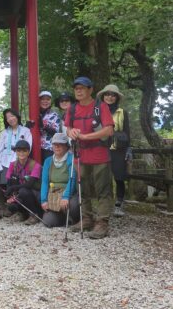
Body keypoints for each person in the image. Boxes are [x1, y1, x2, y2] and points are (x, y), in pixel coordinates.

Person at [66, 76, 114, 239]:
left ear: (90, 90)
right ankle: (86, 218)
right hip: (80, 154)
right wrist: (71, 132)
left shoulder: (101, 107)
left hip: (100, 154)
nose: (78, 91)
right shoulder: (72, 109)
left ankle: (102, 222)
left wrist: (85, 137)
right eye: (76, 88)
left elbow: (108, 130)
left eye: (82, 88)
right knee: (82, 188)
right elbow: (68, 128)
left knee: (103, 190)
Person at [97, 84, 131, 217]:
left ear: (116, 97)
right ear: (103, 96)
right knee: (102, 178)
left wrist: (129, 149)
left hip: (118, 149)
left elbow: (127, 132)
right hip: (101, 148)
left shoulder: (122, 112)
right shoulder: (97, 111)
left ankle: (119, 204)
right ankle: (104, 205)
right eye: (107, 94)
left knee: (119, 177)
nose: (109, 97)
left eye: (113, 95)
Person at [40, 133, 79, 227]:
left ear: (66, 146)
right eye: (54, 144)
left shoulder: (72, 159)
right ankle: (64, 218)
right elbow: (44, 182)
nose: (57, 146)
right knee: (48, 221)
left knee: (74, 205)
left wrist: (65, 197)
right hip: (53, 194)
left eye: (60, 144)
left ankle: (74, 219)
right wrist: (43, 200)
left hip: (69, 195)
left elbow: (72, 179)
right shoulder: (48, 161)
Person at [4, 140, 42, 225]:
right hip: (20, 193)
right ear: (16, 152)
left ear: (28, 152)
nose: (21, 153)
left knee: (23, 191)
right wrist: (10, 195)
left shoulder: (35, 165)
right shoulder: (12, 165)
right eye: (18, 150)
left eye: (24, 150)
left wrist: (13, 188)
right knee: (11, 206)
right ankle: (23, 214)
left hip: (35, 194)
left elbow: (29, 185)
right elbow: (9, 182)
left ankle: (34, 215)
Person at [0, 108, 32, 185]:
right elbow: (0, 150)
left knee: (19, 185)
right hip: (5, 163)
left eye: (12, 116)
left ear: (17, 116)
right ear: (6, 120)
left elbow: (29, 147)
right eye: (8, 117)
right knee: (5, 185)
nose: (11, 119)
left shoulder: (26, 131)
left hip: (21, 162)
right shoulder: (3, 133)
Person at [38, 91, 61, 162]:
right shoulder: (35, 113)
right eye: (43, 99)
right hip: (35, 147)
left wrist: (44, 127)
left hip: (48, 148)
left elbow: (55, 132)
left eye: (47, 99)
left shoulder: (54, 115)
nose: (45, 101)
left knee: (47, 167)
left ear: (50, 101)